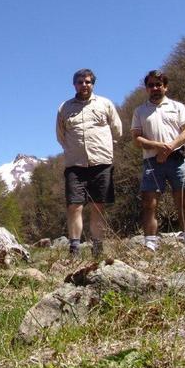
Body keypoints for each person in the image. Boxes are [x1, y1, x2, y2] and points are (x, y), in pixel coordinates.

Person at [56, 68, 122, 256]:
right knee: (74, 206)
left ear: (93, 84)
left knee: (98, 207)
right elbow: (61, 136)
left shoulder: (105, 104)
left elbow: (117, 130)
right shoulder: (64, 108)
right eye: (80, 82)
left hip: (102, 163)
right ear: (74, 84)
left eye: (88, 82)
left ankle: (98, 248)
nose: (84, 85)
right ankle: (74, 248)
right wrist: (73, 150)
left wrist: (106, 147)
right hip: (75, 166)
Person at [130, 70, 185, 251]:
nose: (155, 88)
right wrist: (156, 146)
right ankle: (150, 243)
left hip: (178, 159)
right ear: (146, 88)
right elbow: (136, 138)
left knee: (183, 201)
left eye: (158, 84)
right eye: (151, 85)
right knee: (149, 203)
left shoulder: (177, 106)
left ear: (165, 87)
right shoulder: (140, 111)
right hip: (152, 160)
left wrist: (169, 147)